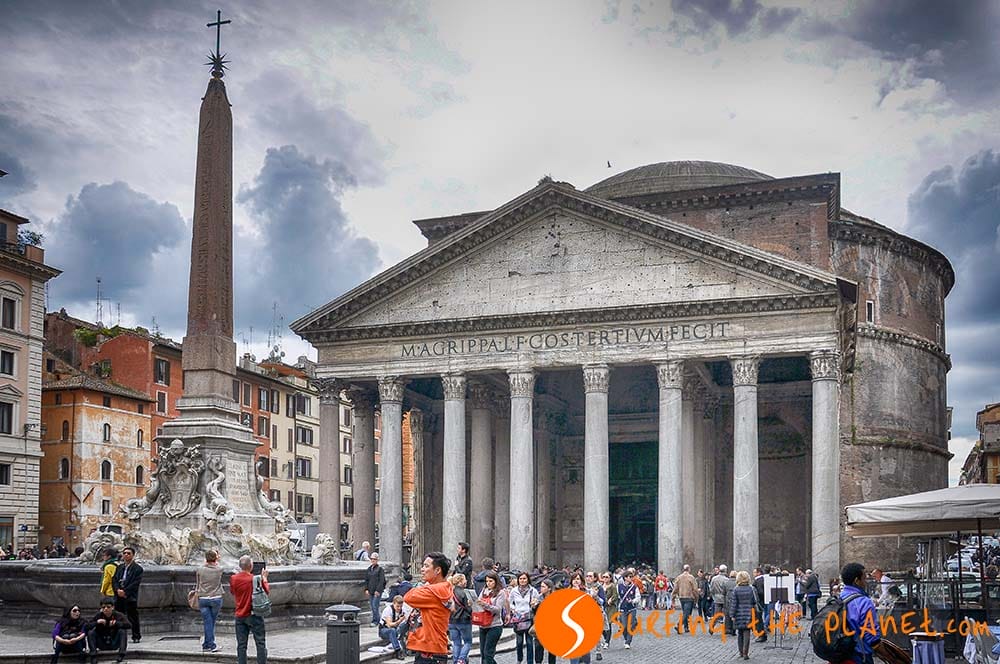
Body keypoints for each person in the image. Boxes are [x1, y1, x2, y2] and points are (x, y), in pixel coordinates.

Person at [403, 551, 455, 664]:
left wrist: (425, 585)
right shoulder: (442, 588)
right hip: (433, 649)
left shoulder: (433, 591)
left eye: (426, 566)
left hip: (430, 652)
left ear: (437, 570)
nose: (422, 569)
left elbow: (408, 597)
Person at [840, 562, 888, 664]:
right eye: (864, 579)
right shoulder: (864, 602)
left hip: (839, 653)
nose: (866, 582)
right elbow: (871, 633)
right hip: (859, 655)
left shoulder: (839, 598)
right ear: (856, 581)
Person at [229, 554, 269, 664]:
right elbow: (266, 591)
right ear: (251, 566)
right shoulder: (255, 579)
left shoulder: (234, 578)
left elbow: (233, 592)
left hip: (240, 615)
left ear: (240, 566)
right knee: (260, 643)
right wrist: (264, 578)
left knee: (241, 645)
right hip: (254, 614)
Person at [111, 546, 143, 643]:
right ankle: (117, 636)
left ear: (133, 555)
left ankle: (136, 636)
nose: (126, 555)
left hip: (130, 596)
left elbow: (135, 583)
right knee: (117, 616)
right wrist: (117, 590)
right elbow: (114, 579)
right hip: (119, 595)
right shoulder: (119, 567)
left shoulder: (138, 569)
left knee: (133, 617)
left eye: (128, 553)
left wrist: (125, 592)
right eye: (124, 553)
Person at [474, 571, 507, 664]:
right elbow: (478, 604)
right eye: (487, 581)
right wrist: (473, 603)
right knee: (483, 654)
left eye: (491, 581)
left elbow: (497, 609)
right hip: (483, 625)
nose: (488, 583)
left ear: (496, 581)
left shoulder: (500, 593)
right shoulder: (484, 590)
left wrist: (485, 605)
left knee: (488, 653)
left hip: (494, 625)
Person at [195, 549, 224, 652]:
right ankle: (211, 645)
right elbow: (218, 564)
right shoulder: (219, 569)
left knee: (208, 622)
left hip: (203, 598)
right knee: (211, 622)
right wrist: (217, 559)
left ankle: (206, 644)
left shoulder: (200, 569)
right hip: (216, 598)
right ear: (216, 558)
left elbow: (198, 583)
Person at [86, 598, 130, 664]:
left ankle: (121, 654)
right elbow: (87, 626)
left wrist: (117, 623)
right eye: (103, 607)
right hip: (102, 642)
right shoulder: (99, 615)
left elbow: (129, 625)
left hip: (114, 642)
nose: (106, 609)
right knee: (91, 633)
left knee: (122, 631)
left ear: (113, 607)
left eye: (108, 607)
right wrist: (97, 622)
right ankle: (93, 656)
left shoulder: (118, 615)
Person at [509, 571, 540, 664]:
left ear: (528, 580)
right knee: (519, 642)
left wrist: (534, 605)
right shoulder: (514, 591)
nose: (522, 580)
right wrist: (513, 609)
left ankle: (530, 661)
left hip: (528, 617)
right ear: (518, 580)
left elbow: (537, 602)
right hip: (518, 618)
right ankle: (519, 659)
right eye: (520, 579)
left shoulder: (533, 591)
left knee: (529, 641)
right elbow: (510, 602)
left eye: (524, 578)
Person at [728, 571, 759, 660]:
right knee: (747, 632)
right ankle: (746, 652)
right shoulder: (751, 589)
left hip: (738, 614)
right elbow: (754, 601)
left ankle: (741, 652)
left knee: (740, 633)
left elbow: (734, 604)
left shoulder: (736, 589)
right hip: (749, 613)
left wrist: (732, 615)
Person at [569, 573, 596, 663]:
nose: (576, 581)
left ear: (581, 581)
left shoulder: (587, 591)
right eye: (574, 579)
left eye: (578, 579)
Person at [448, 572, 474, 664]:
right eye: (464, 579)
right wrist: (470, 605)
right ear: (460, 581)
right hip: (463, 620)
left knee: (456, 643)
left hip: (451, 621)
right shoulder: (462, 593)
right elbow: (468, 609)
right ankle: (461, 659)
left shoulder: (450, 592)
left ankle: (456, 661)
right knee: (468, 642)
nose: (466, 581)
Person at [617, 569, 642, 650]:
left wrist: (633, 601)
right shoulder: (619, 586)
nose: (631, 578)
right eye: (629, 577)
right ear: (625, 578)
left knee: (630, 626)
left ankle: (628, 642)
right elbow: (617, 597)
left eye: (632, 577)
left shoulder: (634, 587)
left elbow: (638, 597)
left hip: (632, 608)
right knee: (624, 626)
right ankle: (626, 638)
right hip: (623, 608)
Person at [379, 595, 408, 659]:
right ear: (393, 603)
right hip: (384, 630)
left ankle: (409, 648)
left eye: (401, 606)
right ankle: (397, 651)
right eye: (397, 606)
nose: (399, 608)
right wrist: (400, 620)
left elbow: (406, 621)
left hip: (397, 629)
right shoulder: (388, 610)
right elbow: (390, 625)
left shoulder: (403, 609)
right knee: (392, 630)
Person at [364, 552, 387, 627]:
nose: (373, 560)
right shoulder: (369, 569)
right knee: (372, 606)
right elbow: (366, 580)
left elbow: (381, 581)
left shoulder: (380, 569)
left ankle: (376, 621)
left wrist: (378, 590)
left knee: (375, 606)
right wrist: (366, 589)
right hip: (370, 590)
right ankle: (378, 620)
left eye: (374, 559)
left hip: (377, 591)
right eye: (372, 559)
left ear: (377, 560)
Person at [673, 564, 699, 633]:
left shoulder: (679, 577)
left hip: (681, 597)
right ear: (689, 569)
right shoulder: (691, 577)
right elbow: (695, 589)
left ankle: (686, 627)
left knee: (686, 612)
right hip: (689, 597)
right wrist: (697, 597)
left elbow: (675, 588)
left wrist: (673, 597)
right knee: (687, 613)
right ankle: (679, 625)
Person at [710, 565, 733, 635]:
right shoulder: (726, 580)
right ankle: (726, 629)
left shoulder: (714, 579)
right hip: (724, 598)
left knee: (716, 614)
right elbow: (727, 590)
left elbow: (711, 589)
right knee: (726, 614)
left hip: (716, 598)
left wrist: (714, 595)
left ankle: (711, 627)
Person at [599, 572, 618, 650]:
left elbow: (615, 595)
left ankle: (607, 642)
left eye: (606, 577)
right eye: (603, 577)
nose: (605, 578)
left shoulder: (612, 586)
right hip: (602, 607)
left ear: (610, 578)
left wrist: (611, 600)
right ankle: (605, 637)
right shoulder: (600, 586)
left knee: (608, 623)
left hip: (610, 608)